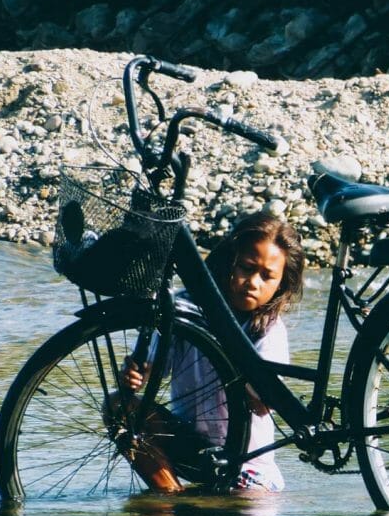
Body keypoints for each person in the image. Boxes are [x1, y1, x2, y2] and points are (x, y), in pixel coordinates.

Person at [116, 211, 305, 494]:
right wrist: (135, 373)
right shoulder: (186, 309)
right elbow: (152, 369)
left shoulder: (269, 329)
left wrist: (230, 343)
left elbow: (261, 404)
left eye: (267, 276)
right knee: (118, 406)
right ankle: (172, 498)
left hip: (248, 465)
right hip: (190, 448)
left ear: (281, 285)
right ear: (231, 261)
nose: (253, 282)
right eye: (246, 267)